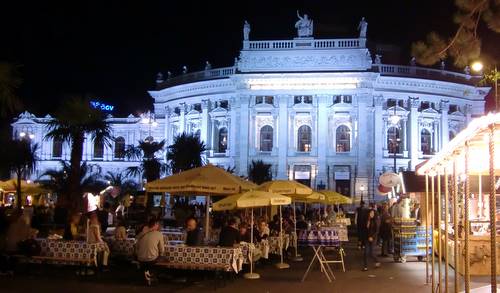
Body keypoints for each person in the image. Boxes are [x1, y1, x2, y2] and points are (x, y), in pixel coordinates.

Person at [135, 218, 165, 286]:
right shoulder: (158, 234)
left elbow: (136, 245)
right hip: (151, 260)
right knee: (163, 257)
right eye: (158, 225)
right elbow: (162, 249)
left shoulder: (141, 233)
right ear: (155, 225)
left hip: (140, 259)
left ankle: (148, 274)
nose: (159, 226)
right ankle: (153, 276)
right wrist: (161, 254)